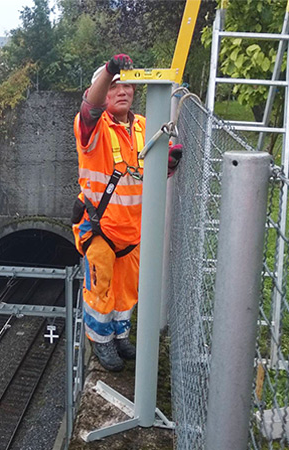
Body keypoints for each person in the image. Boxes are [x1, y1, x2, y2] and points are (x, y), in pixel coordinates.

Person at [70, 54, 182, 371]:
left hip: (133, 230)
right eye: (114, 86)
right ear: (102, 91)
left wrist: (169, 165)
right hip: (99, 228)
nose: (123, 91)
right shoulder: (91, 127)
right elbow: (89, 109)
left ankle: (120, 336)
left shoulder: (145, 126)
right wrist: (108, 71)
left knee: (126, 290)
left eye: (128, 85)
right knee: (101, 287)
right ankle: (101, 342)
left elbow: (150, 175)